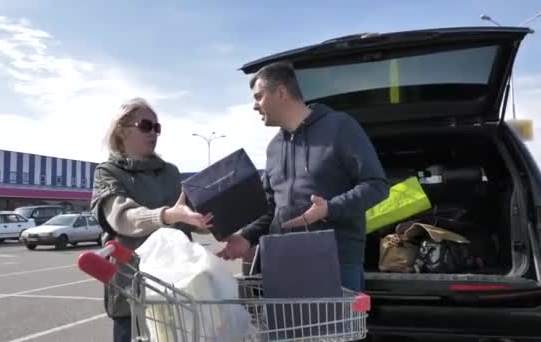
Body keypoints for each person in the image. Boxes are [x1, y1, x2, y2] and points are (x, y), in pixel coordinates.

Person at [217, 62, 389, 291]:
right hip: (283, 261)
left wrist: (330, 208)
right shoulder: (273, 148)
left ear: (280, 92)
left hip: (336, 261)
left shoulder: (340, 127)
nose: (254, 106)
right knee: (283, 328)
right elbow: (270, 208)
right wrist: (246, 238)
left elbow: (377, 185)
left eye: (258, 97)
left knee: (336, 328)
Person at [90, 98, 213, 342]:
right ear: (122, 129)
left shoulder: (171, 172)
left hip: (178, 285)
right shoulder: (108, 172)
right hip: (132, 287)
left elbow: (186, 219)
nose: (154, 133)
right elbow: (122, 217)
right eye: (146, 126)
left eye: (158, 127)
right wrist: (167, 215)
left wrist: (206, 221)